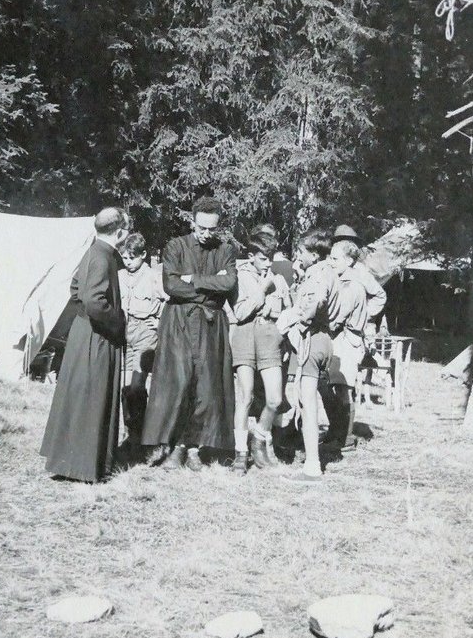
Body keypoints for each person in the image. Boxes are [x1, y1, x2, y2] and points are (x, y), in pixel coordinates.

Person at [141, 197, 237, 471]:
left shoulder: (226, 250)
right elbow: (171, 286)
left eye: (212, 229)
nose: (207, 234)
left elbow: (229, 282)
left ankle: (195, 447)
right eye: (202, 227)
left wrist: (192, 279)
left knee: (206, 388)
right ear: (192, 221)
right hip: (179, 324)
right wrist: (210, 284)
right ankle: (176, 446)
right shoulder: (175, 246)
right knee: (179, 384)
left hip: (211, 326)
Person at [40, 206, 130, 483]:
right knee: (92, 395)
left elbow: (76, 288)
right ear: (121, 232)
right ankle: (83, 466)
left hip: (84, 332)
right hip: (97, 336)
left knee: (80, 395)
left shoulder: (93, 252)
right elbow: (93, 300)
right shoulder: (102, 257)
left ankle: (71, 461)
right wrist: (117, 320)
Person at [276, 229, 353, 484]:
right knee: (306, 399)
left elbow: (317, 300)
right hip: (325, 339)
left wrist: (297, 319)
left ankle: (312, 466)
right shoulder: (330, 273)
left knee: (308, 404)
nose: (298, 257)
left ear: (313, 254)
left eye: (300, 252)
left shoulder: (319, 274)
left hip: (313, 337)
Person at [228, 230, 291, 472]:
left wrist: (274, 317)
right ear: (252, 256)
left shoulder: (279, 279)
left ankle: (259, 438)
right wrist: (262, 290)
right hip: (244, 337)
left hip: (269, 339)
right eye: (263, 258)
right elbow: (241, 313)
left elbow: (288, 311)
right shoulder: (239, 277)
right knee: (245, 397)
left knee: (275, 399)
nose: (268, 263)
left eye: (270, 258)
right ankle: (241, 453)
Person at [326, 237, 375, 450]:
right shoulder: (341, 280)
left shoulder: (352, 285)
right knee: (336, 386)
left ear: (348, 261)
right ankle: (337, 433)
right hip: (342, 339)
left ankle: (344, 439)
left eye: (335, 258)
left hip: (348, 340)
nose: (330, 261)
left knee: (344, 388)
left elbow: (336, 317)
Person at [118, 232, 165, 450]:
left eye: (132, 258)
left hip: (146, 331)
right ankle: (130, 432)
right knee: (125, 386)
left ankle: (140, 433)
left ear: (143, 255)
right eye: (124, 258)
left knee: (137, 384)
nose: (128, 262)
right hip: (124, 332)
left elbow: (169, 300)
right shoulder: (118, 276)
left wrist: (160, 322)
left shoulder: (155, 277)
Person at [332, 224, 387, 344]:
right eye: (339, 240)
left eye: (348, 241)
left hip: (353, 330)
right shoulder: (332, 266)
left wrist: (364, 314)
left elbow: (380, 295)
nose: (343, 244)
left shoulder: (360, 271)